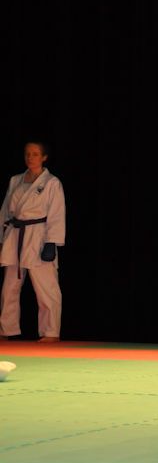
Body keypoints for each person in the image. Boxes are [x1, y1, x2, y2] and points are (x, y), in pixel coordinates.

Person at [0, 141, 65, 342]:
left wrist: (51, 242)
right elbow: (5, 211)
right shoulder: (15, 180)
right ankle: (6, 329)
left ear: (44, 157)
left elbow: (57, 213)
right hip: (15, 234)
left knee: (46, 287)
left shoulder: (52, 182)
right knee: (9, 287)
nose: (30, 157)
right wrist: (2, 238)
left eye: (35, 154)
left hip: (39, 236)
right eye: (27, 154)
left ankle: (50, 332)